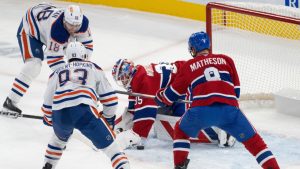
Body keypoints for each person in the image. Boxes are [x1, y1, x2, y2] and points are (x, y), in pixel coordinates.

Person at [154, 32, 280, 169]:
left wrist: (159, 96)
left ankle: (179, 166)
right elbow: (236, 91)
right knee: (256, 143)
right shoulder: (227, 60)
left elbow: (170, 96)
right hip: (230, 111)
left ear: (193, 49)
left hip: (201, 111)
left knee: (180, 130)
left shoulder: (189, 65)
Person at [41, 42, 130, 169]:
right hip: (84, 111)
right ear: (84, 55)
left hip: (60, 114)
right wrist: (108, 119)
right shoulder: (93, 67)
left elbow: (47, 103)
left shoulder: (56, 73)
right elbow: (110, 100)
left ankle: (47, 165)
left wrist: (50, 119)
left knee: (57, 140)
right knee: (113, 149)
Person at [111, 59, 235, 150]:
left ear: (130, 73)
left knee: (184, 119)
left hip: (188, 82)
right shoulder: (139, 77)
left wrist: (131, 137)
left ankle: (225, 127)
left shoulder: (144, 83)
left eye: (123, 77)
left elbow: (146, 117)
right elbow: (133, 110)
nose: (122, 81)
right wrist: (113, 126)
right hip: (183, 80)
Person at [1, 3, 93, 117]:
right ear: (64, 20)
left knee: (75, 53)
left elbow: (86, 49)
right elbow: (54, 61)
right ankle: (11, 101)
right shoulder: (57, 28)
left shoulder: (83, 24)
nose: (74, 29)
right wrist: (71, 79)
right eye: (70, 25)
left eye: (76, 26)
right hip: (31, 28)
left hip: (45, 20)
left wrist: (81, 74)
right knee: (33, 65)